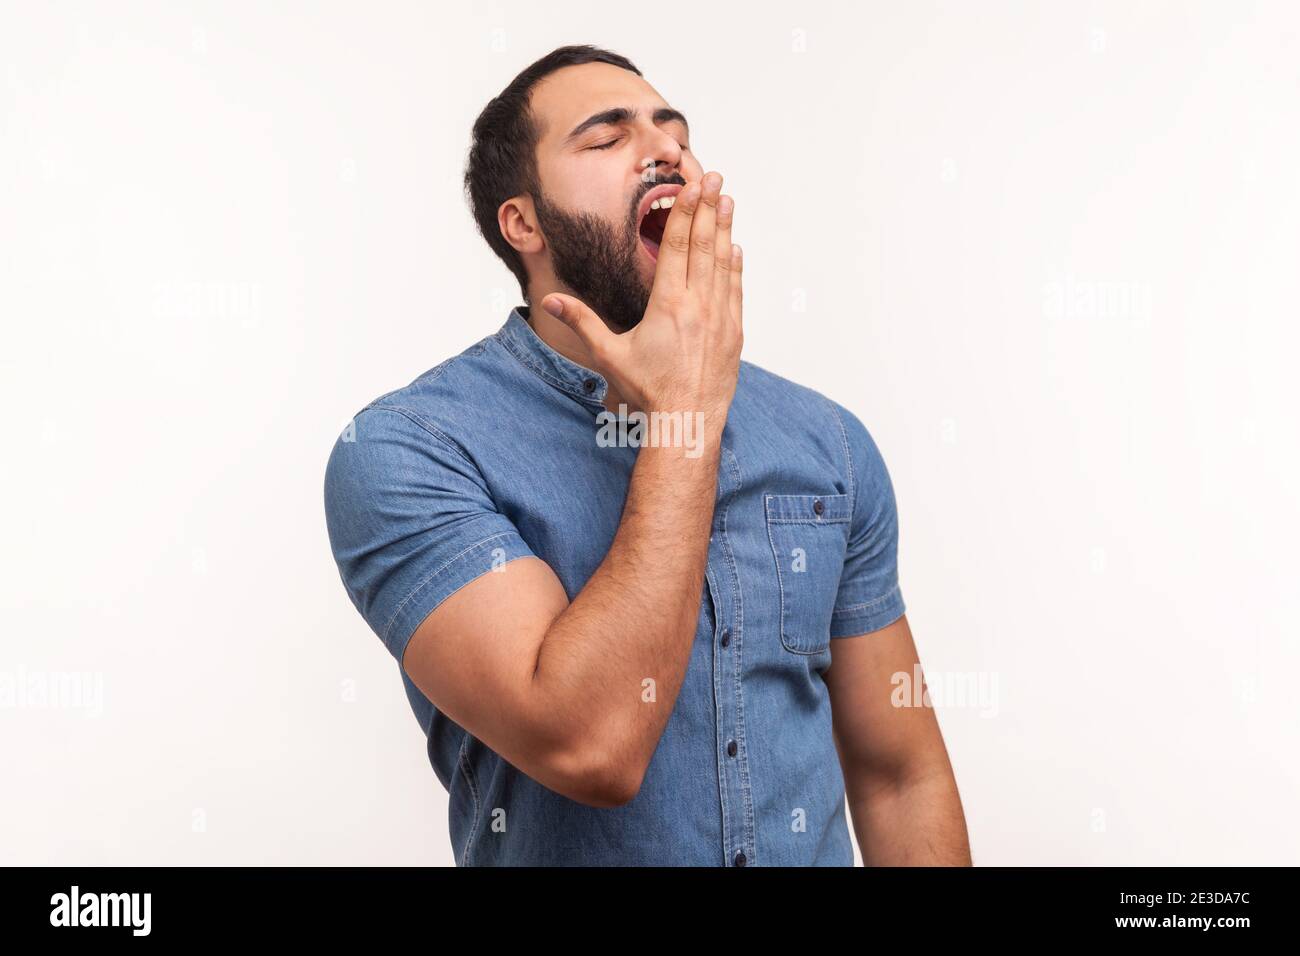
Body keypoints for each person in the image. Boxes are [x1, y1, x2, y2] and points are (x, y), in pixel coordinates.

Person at [323, 44, 971, 866]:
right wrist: (684, 418)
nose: (664, 148)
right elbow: (590, 746)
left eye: (677, 132)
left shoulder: (827, 441)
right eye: (606, 137)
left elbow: (898, 775)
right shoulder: (410, 450)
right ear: (522, 224)